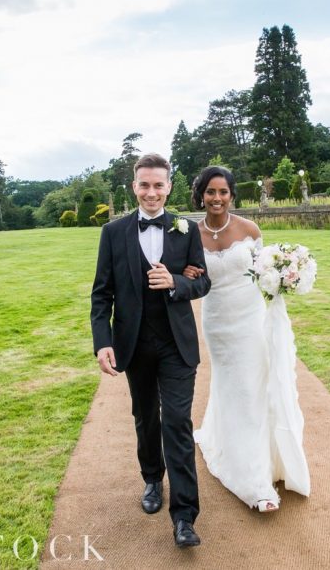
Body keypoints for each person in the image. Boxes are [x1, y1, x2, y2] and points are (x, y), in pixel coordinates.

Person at [90, 153, 211, 548]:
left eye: (159, 185)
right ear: (134, 187)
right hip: (135, 344)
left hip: (177, 344)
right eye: (145, 184)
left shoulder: (185, 230)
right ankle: (150, 480)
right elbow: (101, 294)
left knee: (177, 422)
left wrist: (175, 281)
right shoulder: (113, 233)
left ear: (169, 187)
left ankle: (185, 516)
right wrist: (103, 342)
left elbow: (202, 281)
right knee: (145, 418)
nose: (152, 192)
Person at [183, 165, 310, 513]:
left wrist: (283, 276)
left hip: (250, 318)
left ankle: (260, 476)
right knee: (231, 388)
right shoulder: (191, 234)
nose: (217, 198)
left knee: (253, 388)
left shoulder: (250, 229)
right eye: (211, 192)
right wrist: (187, 272)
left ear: (232, 195)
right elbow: (189, 275)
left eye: (223, 192)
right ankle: (248, 473)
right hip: (217, 321)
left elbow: (263, 272)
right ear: (201, 194)